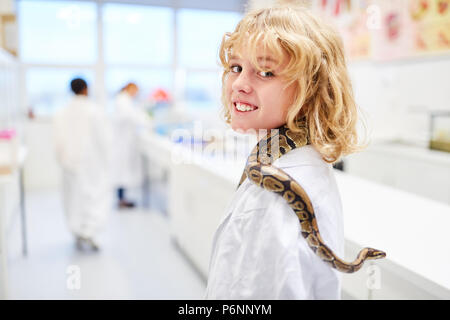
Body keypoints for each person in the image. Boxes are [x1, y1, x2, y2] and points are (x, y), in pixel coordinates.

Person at [205, 5, 367, 299]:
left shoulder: (274, 205)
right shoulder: (283, 161)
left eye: (266, 72)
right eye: (236, 67)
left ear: (311, 92)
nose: (239, 84)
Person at [54, 78, 113, 252]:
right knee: (92, 196)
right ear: (86, 89)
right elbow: (105, 139)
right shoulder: (94, 111)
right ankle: (90, 232)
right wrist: (107, 161)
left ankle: (78, 231)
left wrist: (63, 160)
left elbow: (57, 142)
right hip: (91, 163)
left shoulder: (62, 112)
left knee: (73, 198)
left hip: (69, 163)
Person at [113, 82, 151, 209]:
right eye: (135, 90)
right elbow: (131, 116)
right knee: (121, 172)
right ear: (129, 88)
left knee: (122, 172)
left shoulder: (125, 100)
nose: (136, 94)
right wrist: (147, 121)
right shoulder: (123, 100)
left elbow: (134, 115)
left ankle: (122, 199)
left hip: (124, 140)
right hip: (122, 141)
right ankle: (121, 200)